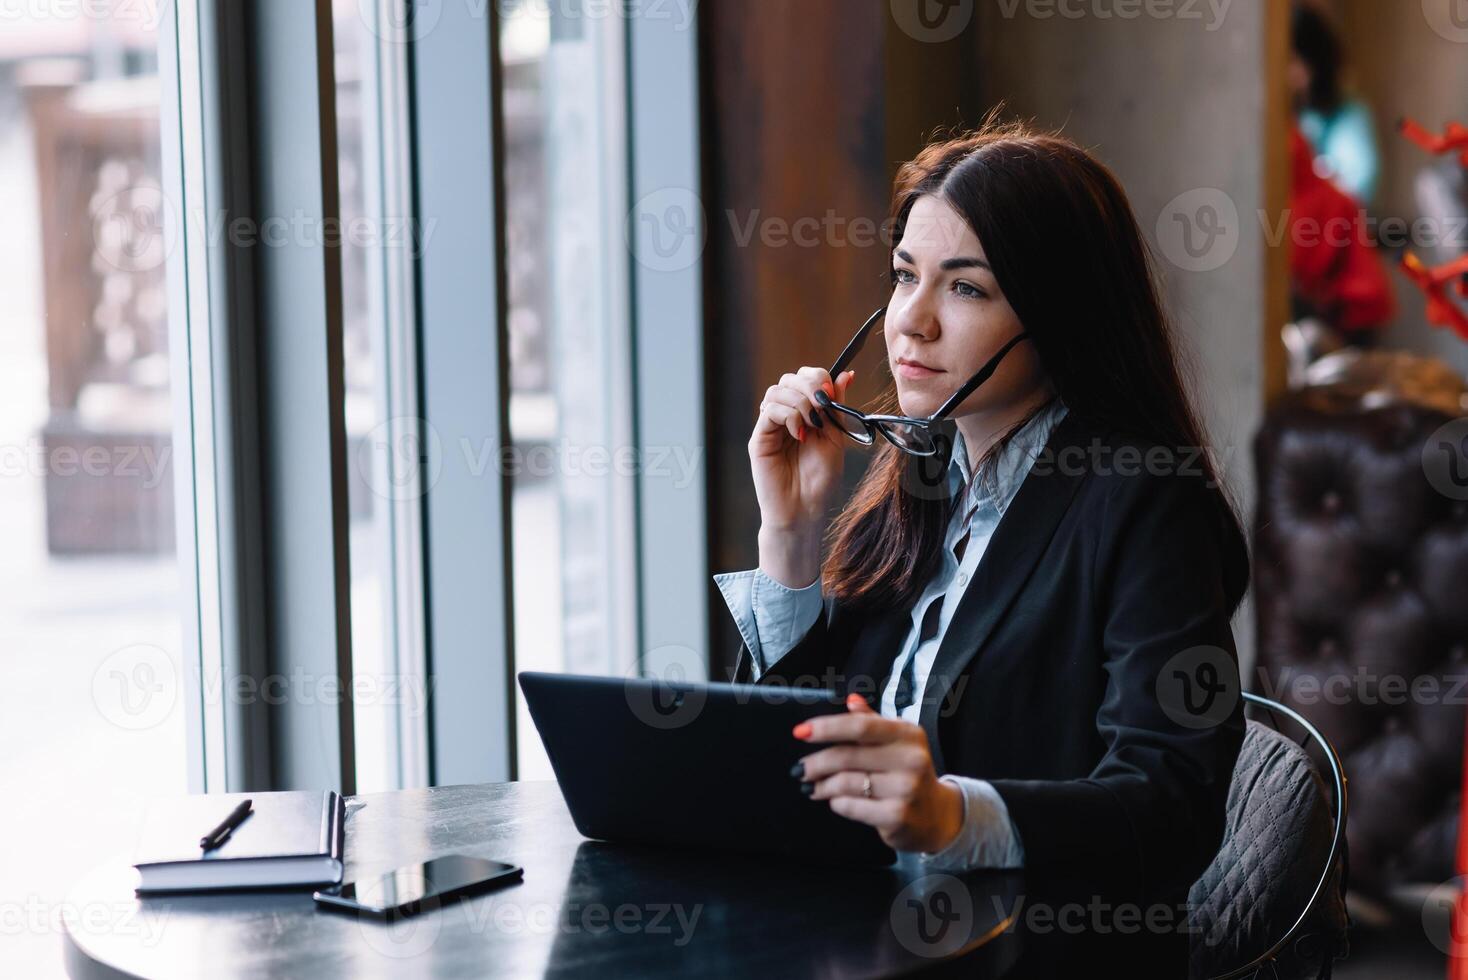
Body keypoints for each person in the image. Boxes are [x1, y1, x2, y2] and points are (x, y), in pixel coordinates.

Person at [713, 117, 1250, 970]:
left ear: (1060, 316)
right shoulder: (923, 476)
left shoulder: (1149, 501)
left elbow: (1173, 806)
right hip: (869, 930)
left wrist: (953, 815)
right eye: (903, 277)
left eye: (966, 289)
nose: (911, 324)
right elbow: (795, 760)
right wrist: (790, 531)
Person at [1290, 2, 1380, 206]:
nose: (1289, 73)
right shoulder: (1273, 123)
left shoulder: (1346, 117)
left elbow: (1354, 190)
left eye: (1295, 61)